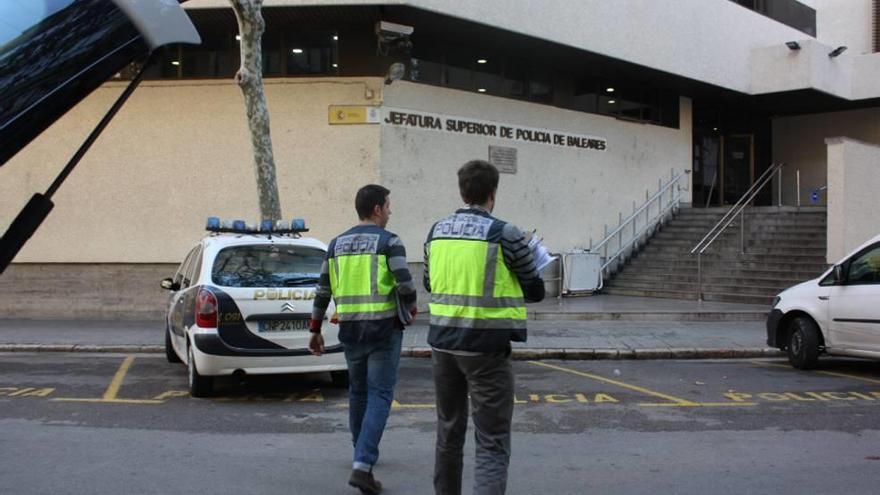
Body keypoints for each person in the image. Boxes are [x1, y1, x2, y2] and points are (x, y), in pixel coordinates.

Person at [424, 160, 545, 495]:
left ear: (462, 191)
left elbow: (429, 282)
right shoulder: (504, 233)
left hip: (443, 343)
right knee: (491, 440)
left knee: (448, 431)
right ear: (493, 193)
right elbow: (535, 290)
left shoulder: (436, 231)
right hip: (486, 348)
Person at [309, 184, 417, 494]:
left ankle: (361, 453)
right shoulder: (390, 242)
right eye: (388, 206)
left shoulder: (335, 244)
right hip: (383, 330)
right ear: (377, 209)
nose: (390, 211)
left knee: (357, 393)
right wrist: (409, 306)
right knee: (380, 395)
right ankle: (363, 463)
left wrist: (315, 329)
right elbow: (405, 284)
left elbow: (323, 290)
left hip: (351, 331)